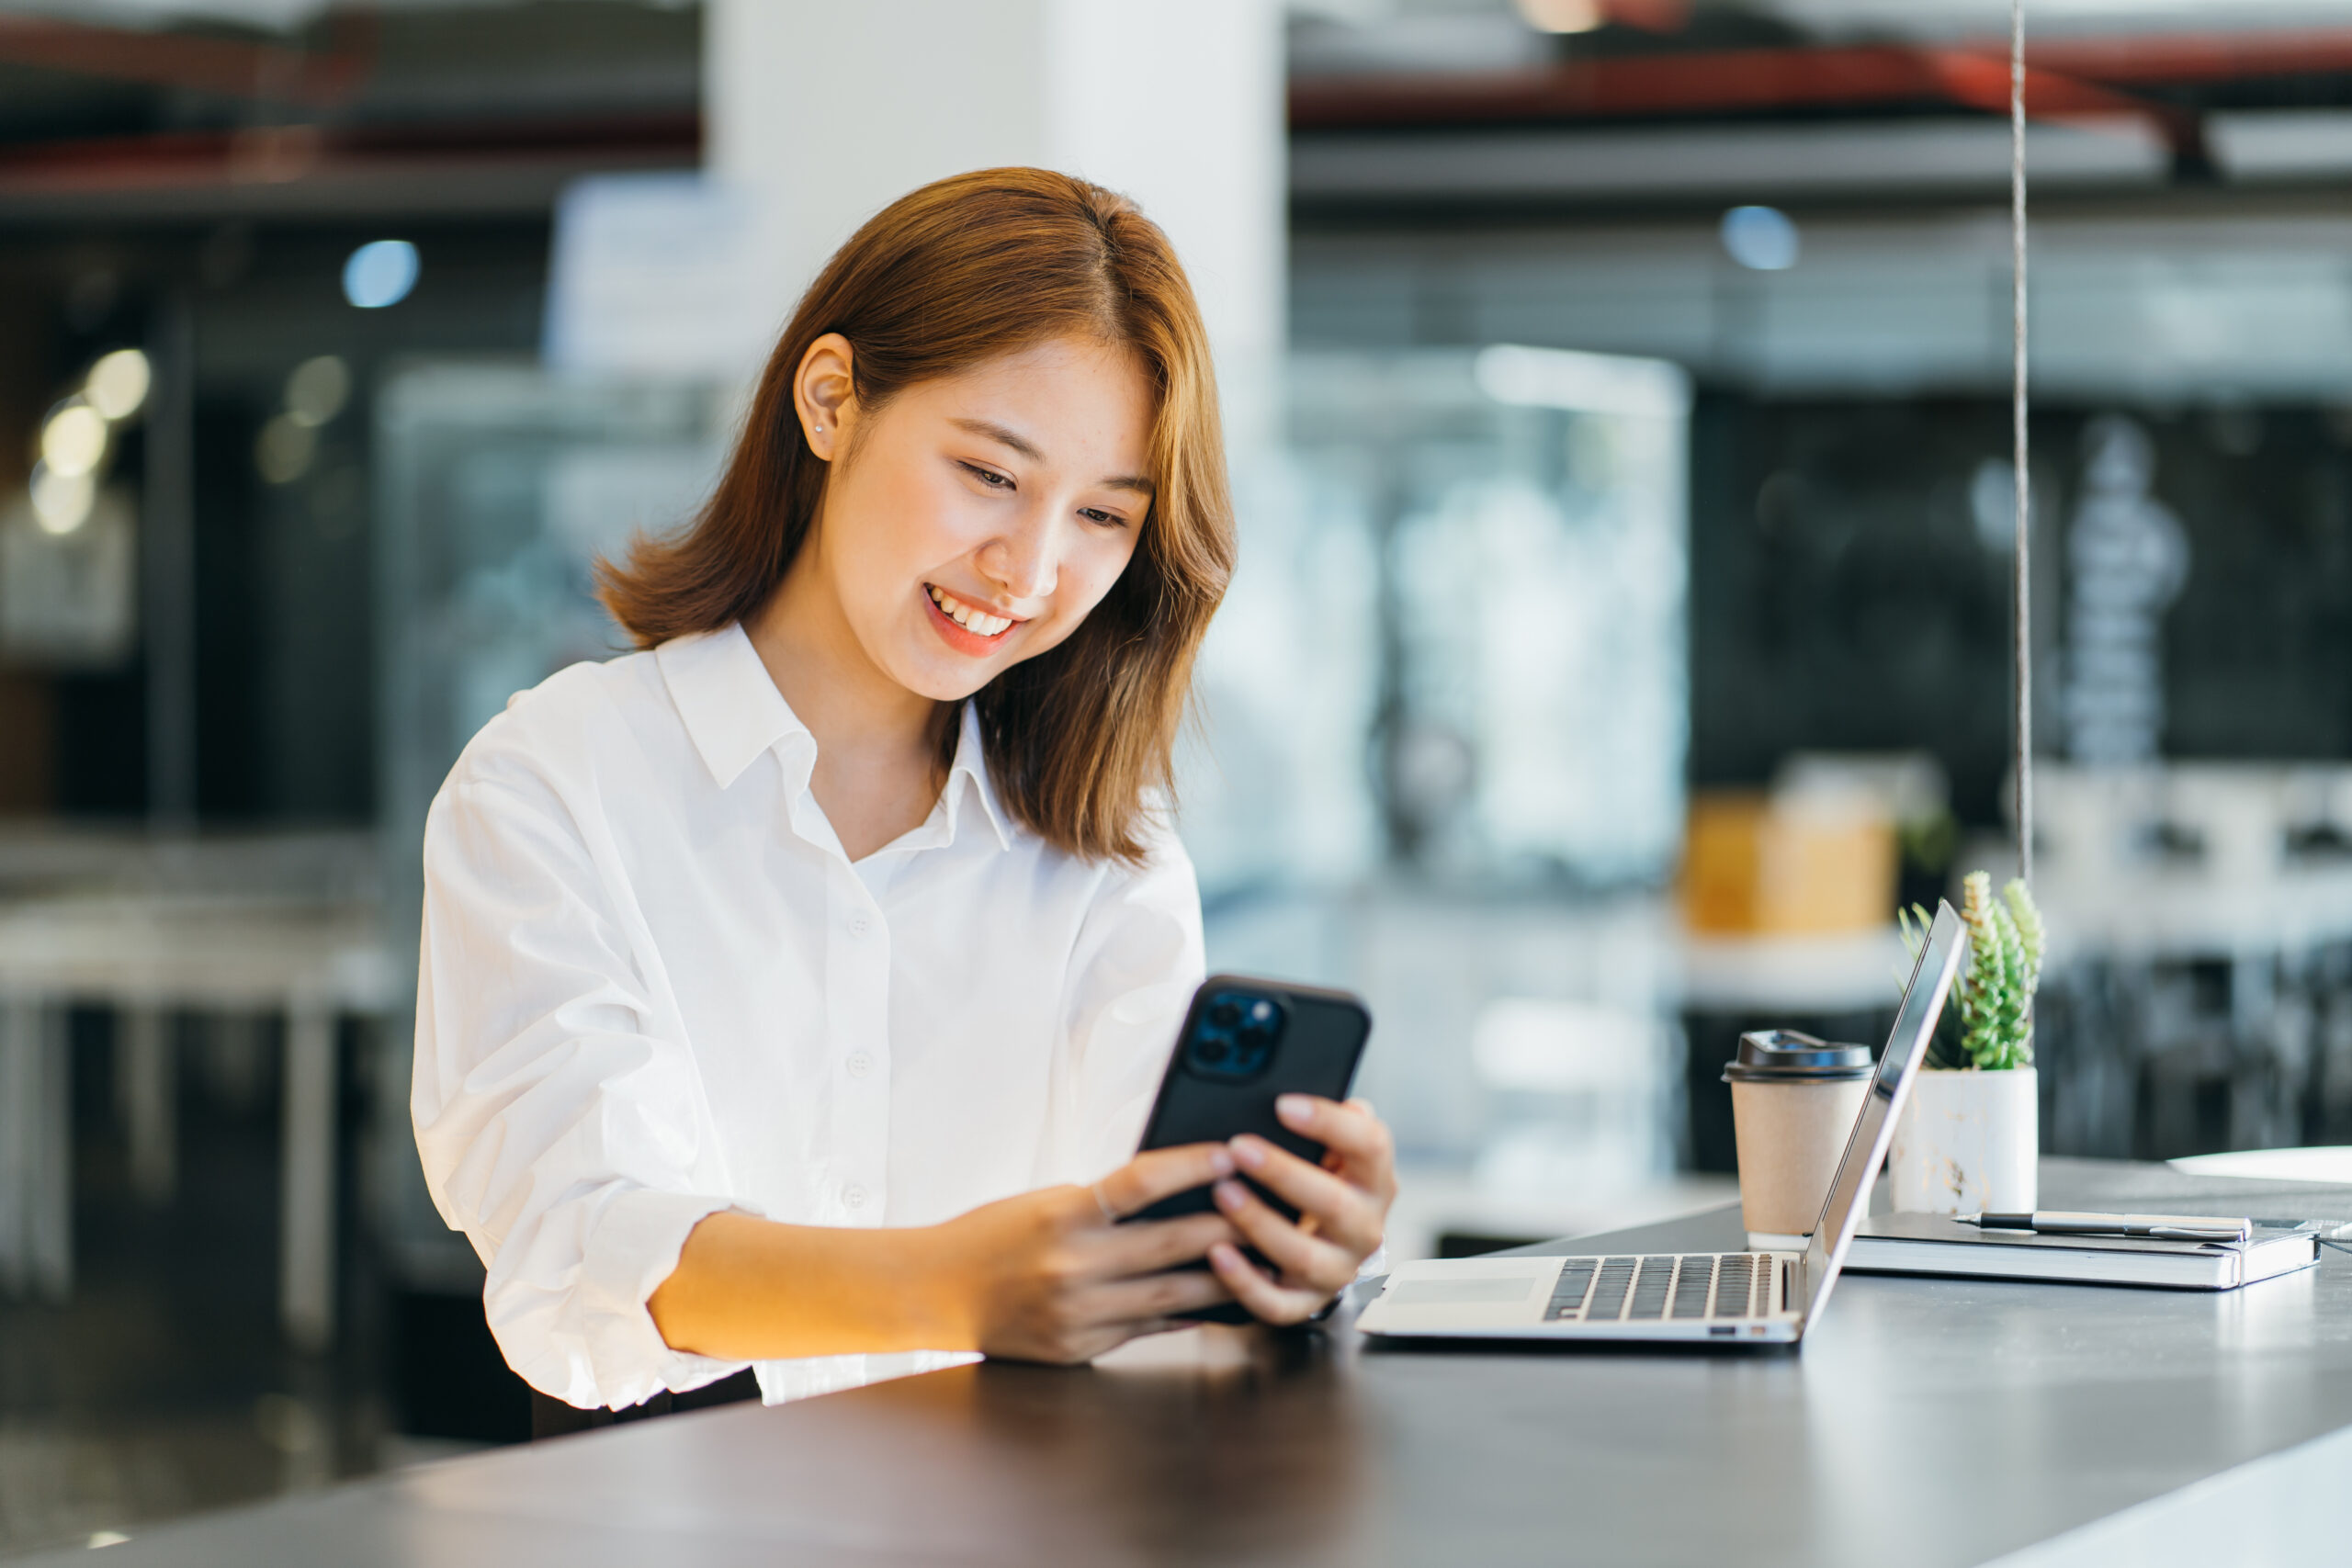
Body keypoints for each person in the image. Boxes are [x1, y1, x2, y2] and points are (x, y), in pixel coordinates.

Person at [411, 167, 1397, 1429]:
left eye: (1101, 514)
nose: (1032, 570)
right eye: (990, 475)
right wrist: (957, 1288)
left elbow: (1159, 1282)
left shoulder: (1105, 846)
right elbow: (586, 1248)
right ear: (832, 401)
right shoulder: (558, 782)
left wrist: (1290, 1261)